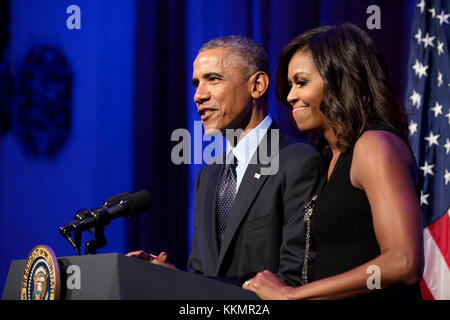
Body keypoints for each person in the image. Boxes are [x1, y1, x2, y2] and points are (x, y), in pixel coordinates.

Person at [242, 23, 424, 299]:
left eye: (301, 82)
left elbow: (403, 262)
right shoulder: (331, 157)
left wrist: (292, 296)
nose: (290, 96)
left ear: (340, 80)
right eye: (290, 85)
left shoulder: (375, 146)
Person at [127, 35, 325, 286]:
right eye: (196, 84)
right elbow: (203, 279)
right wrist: (169, 276)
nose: (198, 95)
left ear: (257, 86)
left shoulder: (297, 161)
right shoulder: (208, 176)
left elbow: (297, 278)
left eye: (213, 79)